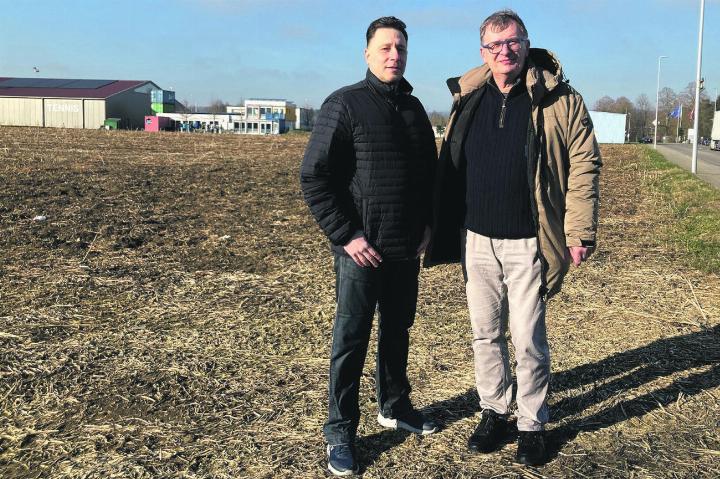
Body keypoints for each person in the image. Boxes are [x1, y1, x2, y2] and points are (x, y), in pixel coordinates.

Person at [424, 9, 602, 466]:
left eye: (513, 42)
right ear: (482, 50)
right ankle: (494, 409)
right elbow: (451, 165)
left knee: (527, 339)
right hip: (476, 239)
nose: (505, 52)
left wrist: (579, 230)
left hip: (529, 241)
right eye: (495, 45)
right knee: (485, 334)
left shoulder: (561, 99)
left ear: (526, 44)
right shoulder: (469, 95)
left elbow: (585, 165)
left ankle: (531, 422)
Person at [300, 16, 438, 477]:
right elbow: (315, 177)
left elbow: (427, 179)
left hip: (404, 247)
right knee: (351, 339)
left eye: (400, 47)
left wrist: (427, 226)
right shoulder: (344, 105)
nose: (394, 55)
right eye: (385, 48)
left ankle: (394, 405)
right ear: (367, 53)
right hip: (361, 249)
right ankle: (340, 431)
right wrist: (347, 234)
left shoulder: (415, 110)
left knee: (398, 329)